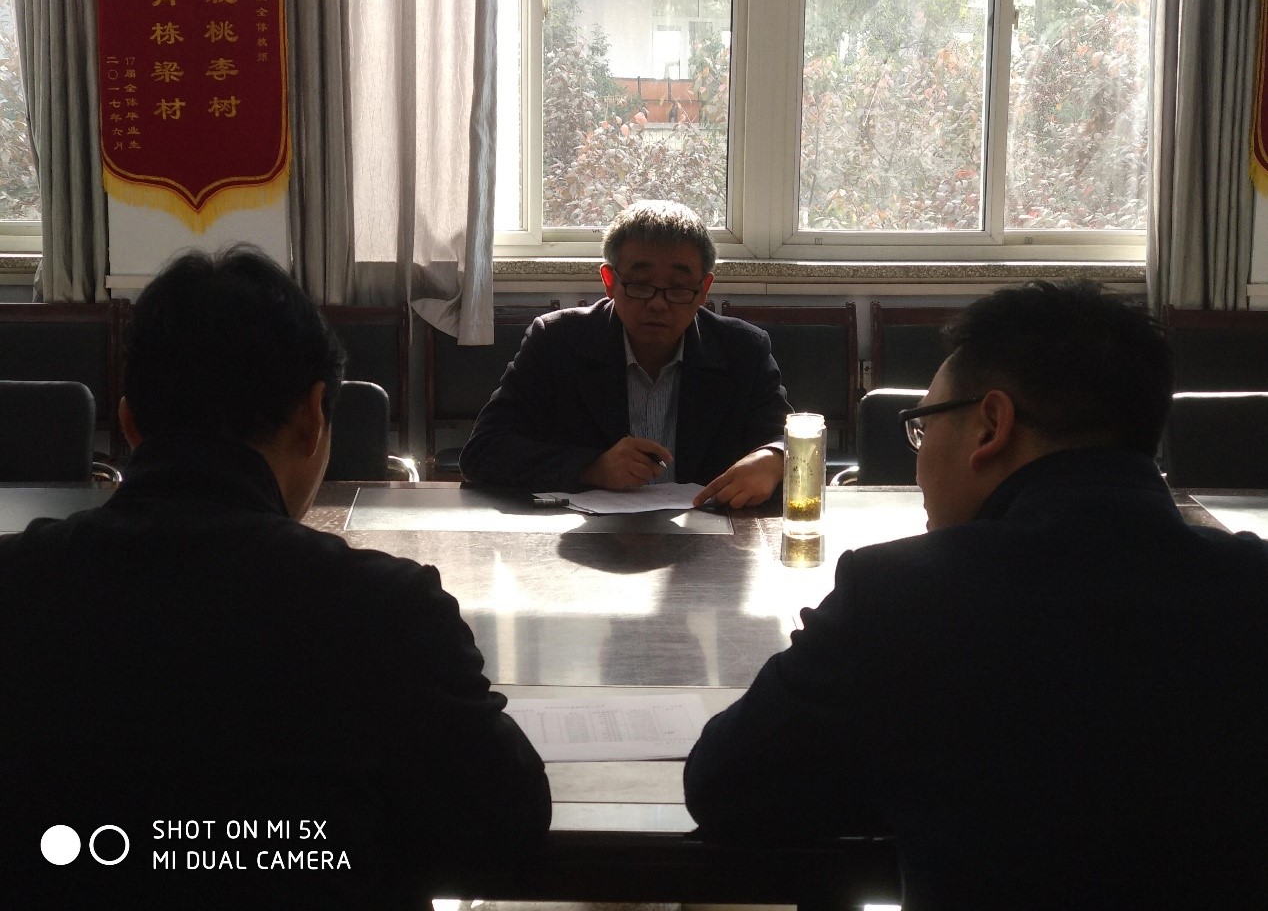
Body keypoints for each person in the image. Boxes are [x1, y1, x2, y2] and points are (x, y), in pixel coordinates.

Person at [683, 281, 1268, 909]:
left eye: (922, 428)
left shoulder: (903, 597)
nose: (919, 461)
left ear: (991, 425)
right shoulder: (1251, 584)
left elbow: (726, 784)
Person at [0, 246, 550, 910]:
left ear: (129, 423)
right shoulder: (383, 610)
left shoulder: (17, 581)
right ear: (315, 416)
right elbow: (506, 829)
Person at [459, 200, 793, 508]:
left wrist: (775, 458)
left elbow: (789, 439)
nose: (658, 304)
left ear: (704, 290)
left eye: (678, 288)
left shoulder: (743, 350)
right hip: (591, 538)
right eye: (640, 284)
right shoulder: (557, 342)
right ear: (610, 281)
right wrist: (592, 467)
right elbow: (482, 452)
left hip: (709, 538)